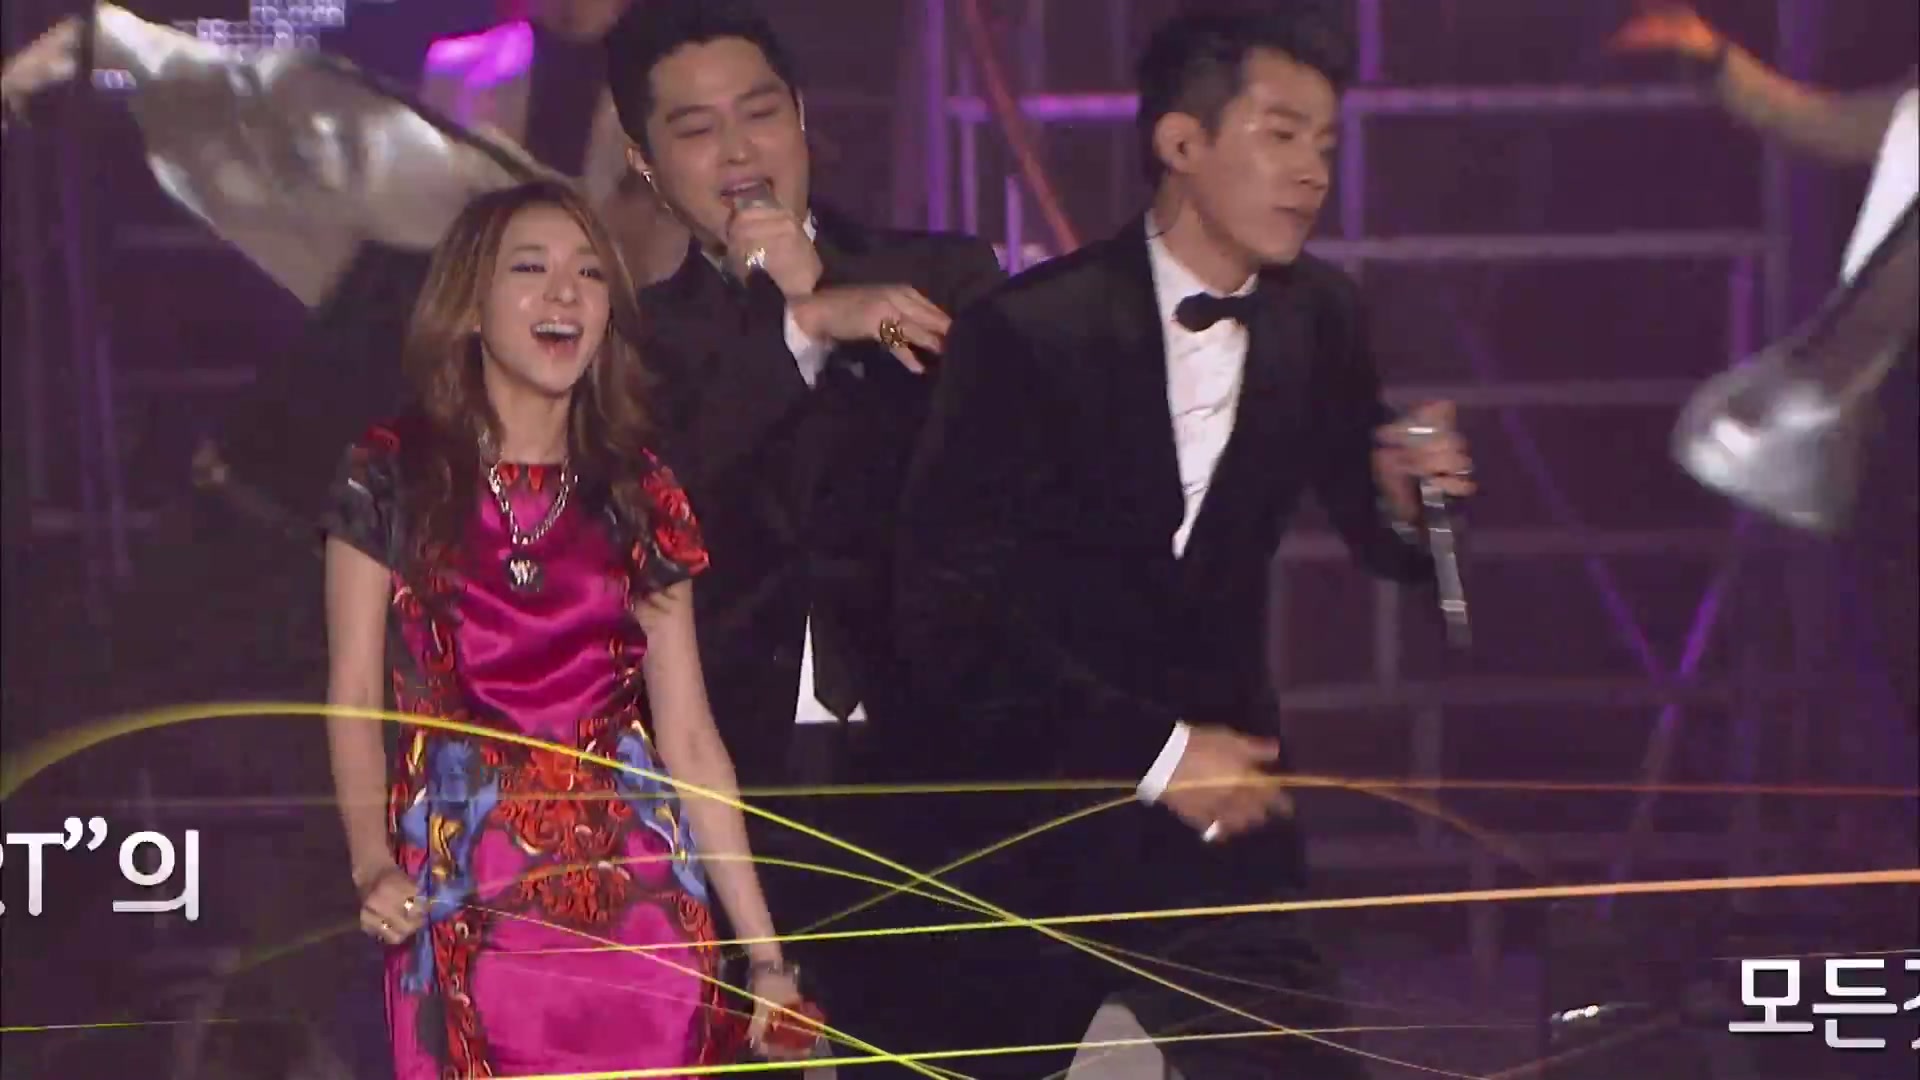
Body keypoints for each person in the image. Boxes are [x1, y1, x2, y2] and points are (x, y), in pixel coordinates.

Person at [895, 10, 1474, 1077]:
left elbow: (1379, 533)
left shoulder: (1321, 316)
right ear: (1181, 142)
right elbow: (944, 612)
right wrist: (1155, 756)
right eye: (1280, 135)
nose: (1312, 172)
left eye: (1326, 145)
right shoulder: (1031, 331)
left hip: (1223, 820)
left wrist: (1405, 501)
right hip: (1029, 816)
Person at [320, 179, 808, 1077]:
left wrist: (768, 960)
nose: (565, 294)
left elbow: (690, 738)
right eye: (531, 269)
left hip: (642, 904)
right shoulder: (394, 473)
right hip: (467, 888)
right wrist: (369, 865)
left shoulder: (637, 489)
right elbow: (352, 695)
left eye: (589, 274)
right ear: (470, 306)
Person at [600, 1, 1005, 1053]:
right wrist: (798, 330)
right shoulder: (629, 344)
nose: (740, 153)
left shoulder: (946, 276)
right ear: (645, 163)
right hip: (736, 785)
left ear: (803, 118)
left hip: (934, 770)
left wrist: (817, 289)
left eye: (761, 113)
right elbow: (662, 505)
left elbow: (994, 477)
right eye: (697, 130)